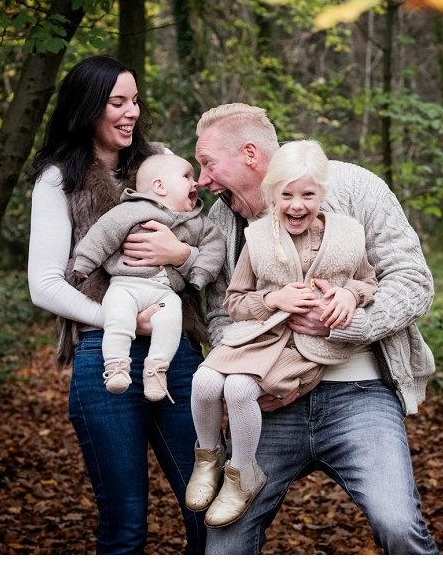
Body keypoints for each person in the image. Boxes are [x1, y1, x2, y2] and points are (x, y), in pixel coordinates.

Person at [191, 103, 439, 554]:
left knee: (398, 523)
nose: (202, 179)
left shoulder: (354, 187)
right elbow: (221, 314)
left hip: (359, 395)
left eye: (208, 163)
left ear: (250, 154)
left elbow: (412, 280)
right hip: (269, 405)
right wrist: (253, 370)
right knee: (225, 542)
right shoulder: (223, 220)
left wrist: (344, 322)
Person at [27, 55, 208, 554]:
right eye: (117, 102)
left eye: (135, 100)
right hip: (102, 357)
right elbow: (44, 284)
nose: (132, 112)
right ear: (88, 107)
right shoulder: (58, 180)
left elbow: (209, 245)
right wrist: (123, 319)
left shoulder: (160, 164)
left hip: (179, 355)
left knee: (210, 510)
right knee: (125, 525)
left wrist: (183, 254)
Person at [186, 140, 378, 529]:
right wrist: (273, 298)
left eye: (308, 194)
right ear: (271, 194)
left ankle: (242, 473)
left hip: (304, 350)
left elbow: (368, 282)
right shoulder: (256, 238)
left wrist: (348, 293)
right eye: (286, 194)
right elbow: (235, 301)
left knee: (239, 390)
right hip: (258, 337)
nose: (296, 205)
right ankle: (207, 456)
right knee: (204, 380)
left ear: (322, 194)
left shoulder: (348, 235)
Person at [72, 154, 225, 402]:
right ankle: (116, 365)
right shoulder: (130, 211)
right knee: (119, 317)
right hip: (125, 285)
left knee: (171, 319)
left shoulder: (198, 223)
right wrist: (85, 262)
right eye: (187, 177)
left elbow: (214, 246)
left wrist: (199, 275)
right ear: (160, 186)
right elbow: (103, 234)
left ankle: (157, 369)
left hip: (165, 292)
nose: (195, 183)